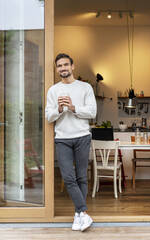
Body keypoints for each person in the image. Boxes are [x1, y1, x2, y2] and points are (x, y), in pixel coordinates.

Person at [45, 53, 97, 231]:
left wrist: (73, 107)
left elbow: (92, 112)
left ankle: (78, 215)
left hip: (82, 136)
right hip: (62, 139)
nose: (63, 68)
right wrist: (59, 109)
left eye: (66, 65)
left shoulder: (85, 87)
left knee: (82, 176)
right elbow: (48, 116)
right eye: (59, 66)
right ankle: (84, 212)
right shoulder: (53, 90)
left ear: (72, 66)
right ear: (57, 69)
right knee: (68, 177)